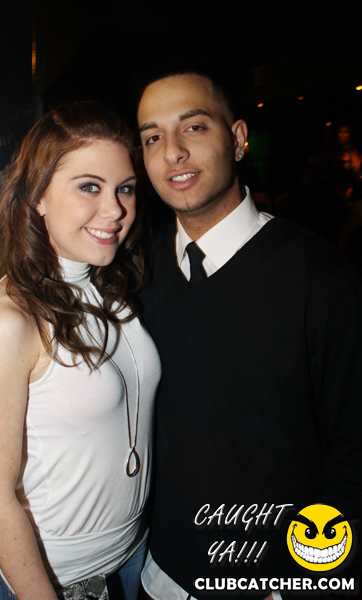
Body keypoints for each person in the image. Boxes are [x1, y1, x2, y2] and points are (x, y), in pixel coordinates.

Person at [136, 71, 362, 599]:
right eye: (152, 137)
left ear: (238, 139)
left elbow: (354, 454)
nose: (172, 152)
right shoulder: (136, 271)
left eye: (194, 127)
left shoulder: (323, 279)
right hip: (158, 574)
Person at [0, 100, 161, 600]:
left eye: (125, 188)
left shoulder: (110, 288)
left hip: (134, 552)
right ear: (37, 197)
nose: (115, 210)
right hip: (62, 578)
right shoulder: (8, 322)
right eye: (89, 186)